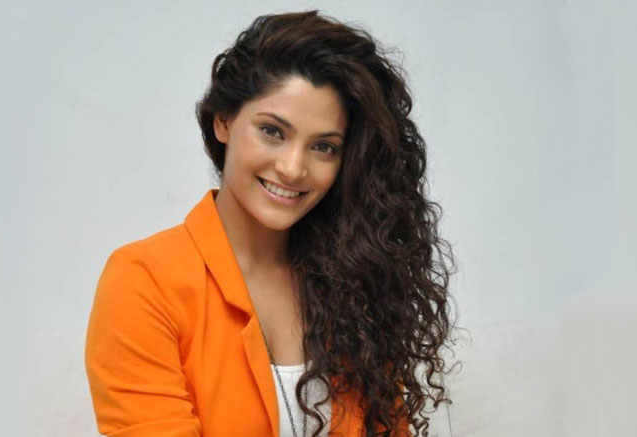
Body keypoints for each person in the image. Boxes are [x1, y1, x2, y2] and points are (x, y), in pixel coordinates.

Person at [85, 10, 457, 437]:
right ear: (224, 121)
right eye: (272, 132)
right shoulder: (144, 281)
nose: (293, 168)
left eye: (323, 147)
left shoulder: (354, 281)